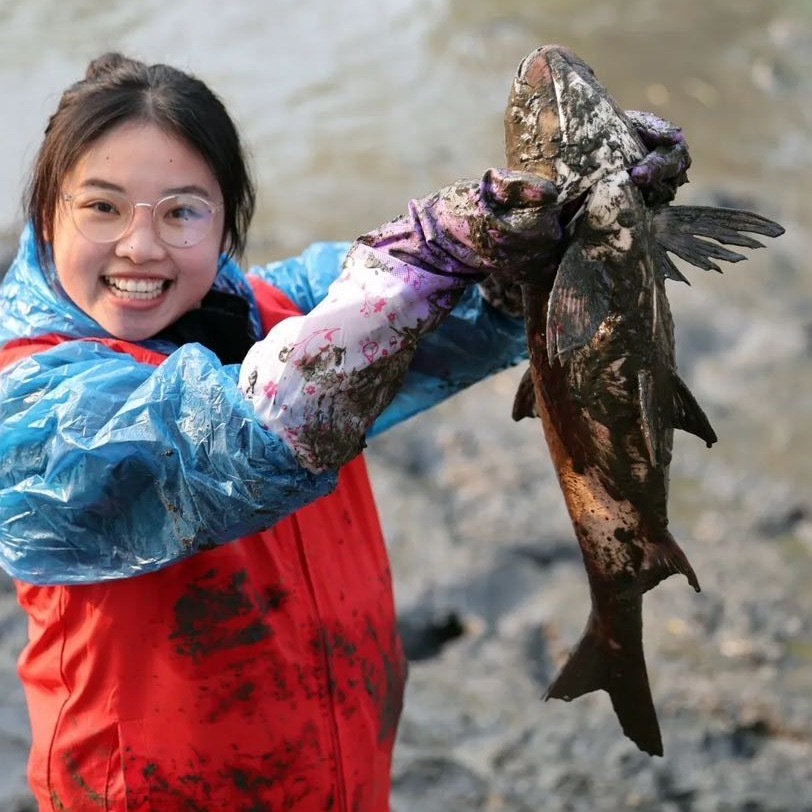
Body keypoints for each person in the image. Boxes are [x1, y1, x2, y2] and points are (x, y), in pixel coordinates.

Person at [0, 53, 689, 811]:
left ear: (226, 220)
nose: (140, 246)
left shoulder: (273, 312)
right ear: (43, 213)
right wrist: (424, 258)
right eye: (101, 207)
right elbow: (235, 435)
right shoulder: (32, 403)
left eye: (180, 211)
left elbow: (424, 313)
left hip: (342, 762)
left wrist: (555, 238)